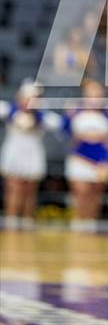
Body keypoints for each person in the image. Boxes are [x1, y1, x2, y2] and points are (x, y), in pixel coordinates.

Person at [63, 79, 108, 232]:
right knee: (81, 193)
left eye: (98, 94)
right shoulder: (75, 113)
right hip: (80, 159)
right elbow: (66, 132)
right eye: (91, 94)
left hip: (101, 161)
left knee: (95, 195)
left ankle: (91, 225)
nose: (94, 97)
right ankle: (78, 224)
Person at [0, 79, 61, 230]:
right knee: (14, 188)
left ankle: (27, 221)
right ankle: (11, 220)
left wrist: (38, 115)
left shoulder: (42, 116)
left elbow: (57, 123)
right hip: (14, 152)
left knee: (30, 189)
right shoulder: (10, 110)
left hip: (33, 153)